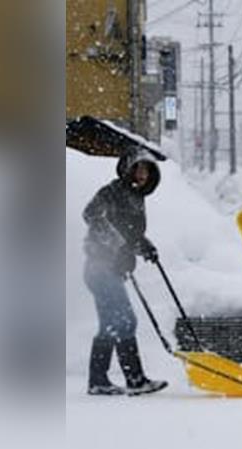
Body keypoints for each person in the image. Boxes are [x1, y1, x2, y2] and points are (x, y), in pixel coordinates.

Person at [81, 148, 168, 396]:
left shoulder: (135, 197)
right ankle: (135, 379)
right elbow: (91, 214)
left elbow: (129, 233)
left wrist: (143, 247)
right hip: (100, 267)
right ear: (127, 168)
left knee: (111, 323)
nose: (142, 174)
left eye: (147, 170)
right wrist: (118, 246)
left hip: (110, 269)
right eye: (139, 168)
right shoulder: (113, 191)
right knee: (125, 321)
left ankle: (99, 381)